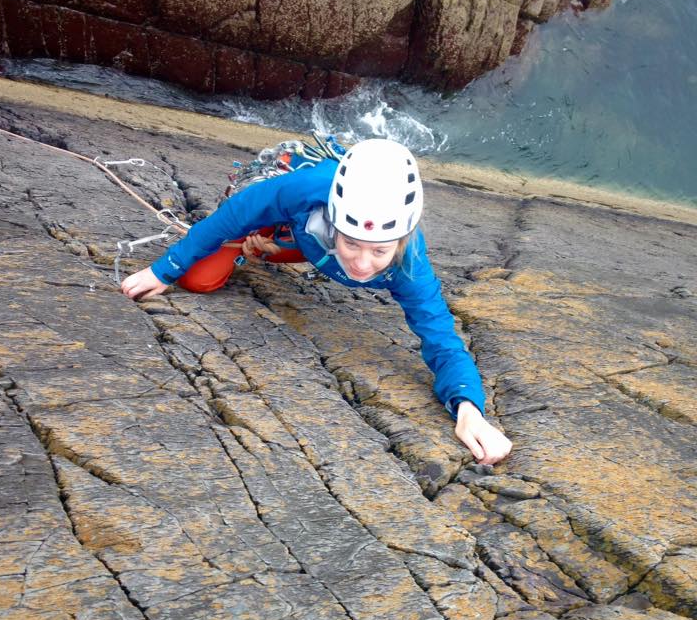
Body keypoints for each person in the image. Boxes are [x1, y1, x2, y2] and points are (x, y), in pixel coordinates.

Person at [121, 138, 512, 465]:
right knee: (198, 278)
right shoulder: (306, 191)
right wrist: (163, 270)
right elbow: (232, 216)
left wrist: (468, 409)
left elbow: (441, 338)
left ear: (401, 241)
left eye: (379, 252)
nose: (362, 264)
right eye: (352, 243)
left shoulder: (410, 266)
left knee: (236, 262)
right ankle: (270, 232)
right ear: (335, 223)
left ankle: (278, 247)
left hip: (312, 244)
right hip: (298, 221)